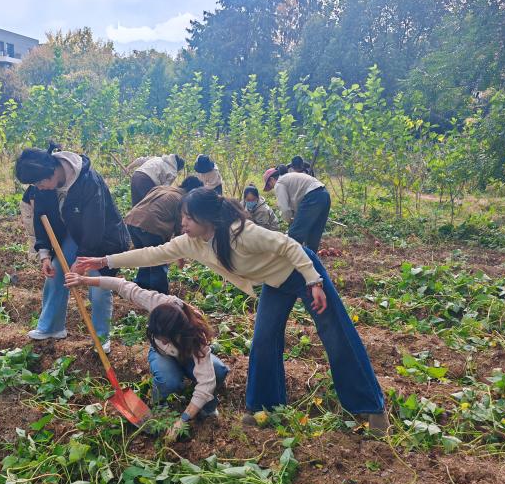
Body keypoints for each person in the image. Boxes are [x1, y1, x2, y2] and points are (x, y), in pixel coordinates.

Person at [74, 188, 388, 433]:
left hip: (302, 272)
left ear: (206, 218)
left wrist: (314, 281)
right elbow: (152, 254)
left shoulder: (242, 232)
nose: (182, 224)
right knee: (263, 340)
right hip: (275, 281)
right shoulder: (192, 242)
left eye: (188, 218)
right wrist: (105, 261)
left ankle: (370, 407)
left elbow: (289, 245)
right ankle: (264, 407)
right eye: (183, 218)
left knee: (335, 334)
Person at [64, 272, 229, 440]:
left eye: (164, 339)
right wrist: (84, 280)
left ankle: (206, 408)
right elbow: (123, 285)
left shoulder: (195, 336)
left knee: (217, 371)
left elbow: (206, 382)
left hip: (188, 356)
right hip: (163, 355)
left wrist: (183, 419)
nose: (160, 340)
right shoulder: (160, 303)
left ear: (176, 333)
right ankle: (159, 405)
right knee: (168, 381)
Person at [15, 144, 130, 353]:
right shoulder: (43, 186)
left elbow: (95, 224)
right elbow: (41, 219)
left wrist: (82, 259)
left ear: (52, 171)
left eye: (40, 182)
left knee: (98, 285)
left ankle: (101, 337)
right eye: (35, 184)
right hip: (73, 233)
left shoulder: (87, 181)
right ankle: (52, 327)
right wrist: (44, 254)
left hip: (104, 237)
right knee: (56, 271)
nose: (39, 187)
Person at [125, 176, 204, 294]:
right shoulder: (182, 201)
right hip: (150, 227)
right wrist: (180, 257)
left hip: (132, 222)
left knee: (145, 257)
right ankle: (160, 294)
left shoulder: (162, 188)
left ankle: (140, 288)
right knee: (159, 260)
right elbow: (180, 230)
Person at [264, 166, 330, 253]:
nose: (272, 188)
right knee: (313, 234)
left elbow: (285, 209)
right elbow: (298, 207)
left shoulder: (279, 183)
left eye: (270, 185)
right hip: (324, 195)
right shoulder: (289, 177)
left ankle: (290, 260)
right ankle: (310, 259)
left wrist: (290, 221)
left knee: (294, 235)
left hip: (312, 196)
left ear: (272, 179)